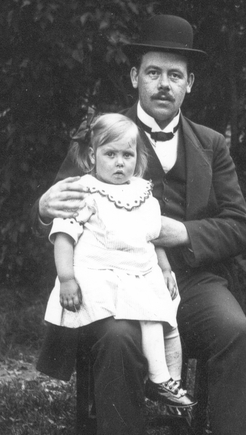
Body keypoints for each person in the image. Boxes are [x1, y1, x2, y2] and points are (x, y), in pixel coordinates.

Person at [35, 14, 246, 435]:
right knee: (118, 339)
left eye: (175, 74)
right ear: (134, 78)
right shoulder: (103, 133)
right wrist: (42, 205)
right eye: (153, 72)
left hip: (189, 283)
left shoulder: (211, 144)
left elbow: (239, 226)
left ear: (190, 83)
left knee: (236, 333)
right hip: (114, 284)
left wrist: (180, 232)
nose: (163, 84)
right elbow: (60, 209)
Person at [44, 112, 193, 411]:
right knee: (146, 313)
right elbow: (63, 237)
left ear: (137, 158)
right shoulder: (85, 191)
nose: (119, 163)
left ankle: (168, 381)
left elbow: (151, 237)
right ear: (92, 156)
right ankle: (159, 379)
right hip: (98, 279)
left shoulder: (140, 193)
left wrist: (165, 268)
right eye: (110, 154)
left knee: (163, 316)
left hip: (137, 276)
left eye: (127, 155)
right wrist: (66, 278)